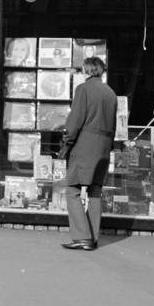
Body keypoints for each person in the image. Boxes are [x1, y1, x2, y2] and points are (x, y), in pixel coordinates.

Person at [60, 55, 117, 250]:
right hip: (103, 148)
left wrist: (66, 142)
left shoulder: (83, 89)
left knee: (72, 190)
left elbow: (74, 122)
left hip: (84, 146)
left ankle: (82, 237)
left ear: (87, 70)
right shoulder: (110, 93)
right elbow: (114, 125)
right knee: (95, 192)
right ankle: (92, 237)